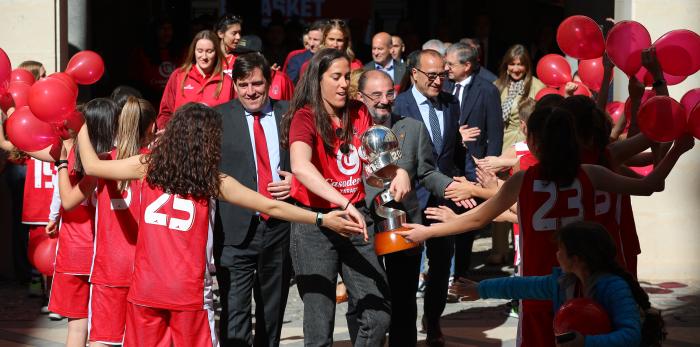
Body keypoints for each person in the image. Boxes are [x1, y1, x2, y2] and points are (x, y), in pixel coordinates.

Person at [397, 106, 694, 347]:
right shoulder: (591, 173)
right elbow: (651, 185)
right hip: (585, 288)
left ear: (535, 143)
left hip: (540, 293)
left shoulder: (523, 180)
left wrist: (428, 231)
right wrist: (678, 149)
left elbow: (479, 218)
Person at [75, 102, 357, 346]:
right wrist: (321, 218)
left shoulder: (148, 165)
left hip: (145, 290)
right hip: (189, 294)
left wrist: (80, 125)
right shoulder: (213, 180)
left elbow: (91, 166)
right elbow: (271, 205)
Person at [279, 48, 409, 346]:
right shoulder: (304, 116)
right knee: (319, 324)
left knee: (378, 314)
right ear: (318, 80)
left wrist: (397, 171)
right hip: (315, 224)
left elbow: (376, 155)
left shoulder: (359, 110)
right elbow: (300, 166)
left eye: (346, 77)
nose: (342, 84)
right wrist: (343, 202)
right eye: (335, 77)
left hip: (356, 220)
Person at [356, 69, 463, 347]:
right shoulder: (350, 132)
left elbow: (427, 172)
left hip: (405, 226)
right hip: (363, 226)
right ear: (360, 97)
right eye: (376, 95)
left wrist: (451, 187)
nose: (384, 100)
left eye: (389, 94)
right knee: (368, 302)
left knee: (404, 302)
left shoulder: (413, 128)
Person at [451, 221, 665, 347]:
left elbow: (631, 335)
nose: (556, 254)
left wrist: (585, 343)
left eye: (561, 250)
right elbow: (521, 286)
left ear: (577, 258)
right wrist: (481, 289)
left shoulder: (614, 287)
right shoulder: (564, 283)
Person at [213, 53, 294, 347]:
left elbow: (309, 161)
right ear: (234, 85)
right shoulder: (218, 117)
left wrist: (296, 181)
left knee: (272, 311)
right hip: (234, 230)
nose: (251, 91)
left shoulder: (290, 114)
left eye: (257, 83)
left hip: (279, 227)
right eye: (243, 85)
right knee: (235, 311)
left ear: (269, 83)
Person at [393, 49, 461, 347]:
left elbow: (452, 150)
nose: (437, 82)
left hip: (442, 196)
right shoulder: (399, 105)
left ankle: (433, 320)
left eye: (442, 76)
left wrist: (463, 183)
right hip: (408, 199)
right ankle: (403, 326)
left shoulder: (451, 102)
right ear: (414, 74)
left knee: (442, 263)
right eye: (431, 76)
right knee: (406, 268)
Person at [50, 98, 118, 347]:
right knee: (102, 334)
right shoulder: (110, 161)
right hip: (96, 255)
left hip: (76, 254)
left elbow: (66, 200)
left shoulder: (75, 158)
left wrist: (62, 160)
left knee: (78, 330)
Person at [88, 97, 155, 347]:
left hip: (110, 266)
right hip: (148, 267)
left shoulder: (103, 161)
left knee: (102, 340)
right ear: (153, 126)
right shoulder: (158, 162)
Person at [442, 42, 504, 278]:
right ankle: (444, 269)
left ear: (467, 66)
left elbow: (495, 132)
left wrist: (491, 166)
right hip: (448, 162)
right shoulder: (445, 87)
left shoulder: (487, 90)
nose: (446, 68)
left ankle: (460, 271)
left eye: (451, 64)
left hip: (474, 164)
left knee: (467, 219)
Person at [490, 44, 545, 264]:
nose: (516, 68)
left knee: (521, 197)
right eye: (512, 63)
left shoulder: (537, 86)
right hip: (503, 144)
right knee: (498, 195)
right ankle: (499, 249)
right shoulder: (497, 85)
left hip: (525, 144)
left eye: (520, 64)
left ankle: (519, 250)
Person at [156, 30, 232, 129]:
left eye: (209, 51)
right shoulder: (178, 76)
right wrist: (167, 133)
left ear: (216, 52)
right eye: (200, 51)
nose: (204, 56)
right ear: (193, 51)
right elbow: (165, 113)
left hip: (215, 142)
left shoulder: (227, 81)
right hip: (181, 141)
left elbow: (233, 117)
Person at [298, 19, 363, 79]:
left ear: (346, 42)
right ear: (324, 39)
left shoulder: (355, 65)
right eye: (331, 39)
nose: (335, 44)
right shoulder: (311, 65)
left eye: (339, 40)